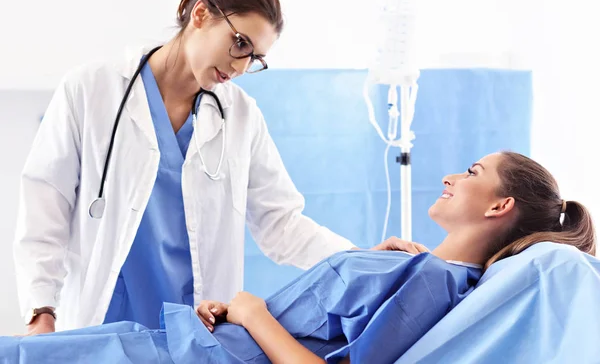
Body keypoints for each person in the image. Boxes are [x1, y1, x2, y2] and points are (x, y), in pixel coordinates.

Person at [12, 0, 414, 336]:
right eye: (239, 43)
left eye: (255, 57)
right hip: (100, 322)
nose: (240, 67)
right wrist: (40, 309)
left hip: (196, 331)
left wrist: (359, 257)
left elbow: (282, 225)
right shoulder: (91, 89)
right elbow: (46, 206)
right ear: (200, 14)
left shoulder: (241, 116)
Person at [3, 152, 594, 363]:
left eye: (472, 172)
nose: (449, 176)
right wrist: (234, 313)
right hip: (196, 342)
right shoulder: (415, 267)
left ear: (500, 206)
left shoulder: (437, 283)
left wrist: (254, 311)